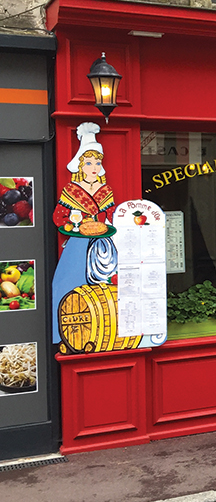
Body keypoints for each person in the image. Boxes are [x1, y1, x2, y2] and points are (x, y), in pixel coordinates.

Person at [51, 123, 119, 344]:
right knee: (69, 281)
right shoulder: (71, 190)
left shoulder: (105, 190)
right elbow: (59, 217)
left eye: (97, 162)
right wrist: (74, 224)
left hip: (103, 242)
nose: (94, 167)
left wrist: (111, 221)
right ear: (80, 164)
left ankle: (106, 327)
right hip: (78, 242)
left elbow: (112, 215)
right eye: (89, 162)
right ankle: (64, 334)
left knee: (106, 282)